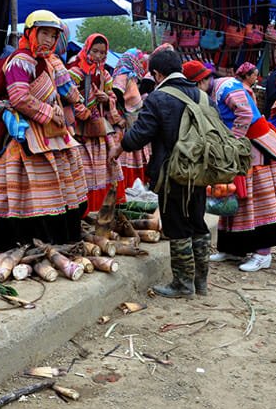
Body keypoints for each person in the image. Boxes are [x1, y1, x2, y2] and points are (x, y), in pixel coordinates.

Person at [108, 49, 212, 298]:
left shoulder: (159, 97)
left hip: (172, 172)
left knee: (176, 225)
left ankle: (183, 285)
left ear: (156, 73)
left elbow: (140, 134)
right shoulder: (201, 94)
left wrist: (118, 148)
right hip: (200, 170)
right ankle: (201, 283)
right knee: (198, 222)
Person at [0, 10, 88, 251]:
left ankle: (59, 236)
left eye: (54, 36)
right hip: (28, 132)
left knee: (63, 175)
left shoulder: (51, 61)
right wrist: (48, 111)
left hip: (52, 131)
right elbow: (19, 98)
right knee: (30, 185)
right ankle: (29, 239)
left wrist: (78, 104)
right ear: (30, 33)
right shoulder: (20, 61)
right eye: (44, 33)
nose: (49, 40)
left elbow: (66, 90)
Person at [210, 62, 276, 271]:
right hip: (251, 148)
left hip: (258, 150)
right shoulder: (228, 89)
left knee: (262, 200)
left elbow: (247, 115)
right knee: (238, 198)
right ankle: (233, 248)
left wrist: (233, 140)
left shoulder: (229, 89)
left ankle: (263, 253)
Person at [67, 34, 125, 212]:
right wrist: (83, 110)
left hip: (99, 129)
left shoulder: (105, 73)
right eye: (95, 51)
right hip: (79, 130)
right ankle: (84, 209)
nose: (98, 56)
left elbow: (113, 96)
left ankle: (102, 207)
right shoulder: (74, 72)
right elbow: (67, 97)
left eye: (102, 52)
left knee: (103, 167)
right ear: (86, 49)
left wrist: (107, 98)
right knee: (84, 169)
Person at [112, 48, 151, 187]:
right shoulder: (123, 76)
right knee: (128, 154)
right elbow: (115, 98)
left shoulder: (132, 76)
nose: (141, 64)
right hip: (125, 125)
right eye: (139, 61)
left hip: (132, 123)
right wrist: (118, 117)